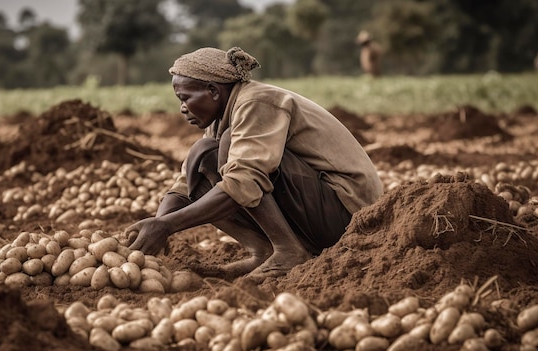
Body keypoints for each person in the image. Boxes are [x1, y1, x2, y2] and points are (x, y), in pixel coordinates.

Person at [124, 47, 383, 279]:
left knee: (227, 152)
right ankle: (264, 251)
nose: (182, 108)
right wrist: (156, 226)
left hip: (348, 215)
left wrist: (167, 226)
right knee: (203, 156)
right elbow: (185, 185)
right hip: (320, 210)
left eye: (185, 98)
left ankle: (288, 250)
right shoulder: (222, 117)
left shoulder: (256, 102)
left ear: (213, 91)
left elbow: (245, 181)